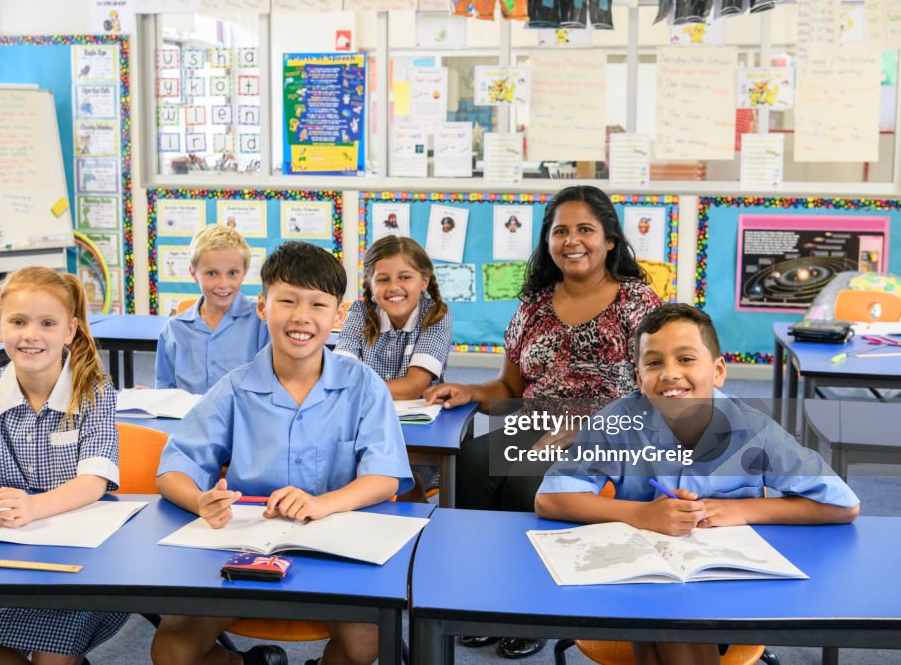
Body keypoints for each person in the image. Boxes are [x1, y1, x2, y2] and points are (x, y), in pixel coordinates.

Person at [536, 304, 859, 664]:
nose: (670, 374)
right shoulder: (618, 420)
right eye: (654, 362)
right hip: (642, 580)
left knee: (673, 630)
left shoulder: (754, 430)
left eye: (686, 358)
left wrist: (743, 509)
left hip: (724, 589)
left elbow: (843, 504)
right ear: (638, 376)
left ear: (718, 370)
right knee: (662, 621)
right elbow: (551, 500)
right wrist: (644, 515)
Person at [424, 185, 661, 659]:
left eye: (585, 230)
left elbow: (655, 394)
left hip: (611, 432)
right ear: (548, 242)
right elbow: (509, 388)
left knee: (526, 486)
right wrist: (470, 392)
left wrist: (581, 430)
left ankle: (531, 607)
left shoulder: (639, 304)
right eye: (560, 231)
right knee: (465, 467)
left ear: (610, 240)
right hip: (531, 421)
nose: (572, 241)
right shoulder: (534, 303)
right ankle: (482, 597)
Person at [151, 242, 413, 665]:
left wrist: (321, 503)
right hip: (244, 549)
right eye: (287, 301)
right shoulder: (234, 388)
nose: (301, 317)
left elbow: (384, 477)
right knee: (171, 650)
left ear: (340, 315)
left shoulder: (364, 385)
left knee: (366, 644)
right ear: (262, 307)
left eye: (317, 304)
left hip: (335, 547)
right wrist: (199, 500)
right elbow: (174, 468)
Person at [0, 267, 125, 665]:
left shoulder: (94, 391)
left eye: (47, 323)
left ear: (70, 330)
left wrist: (34, 506)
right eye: (18, 322)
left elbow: (94, 480)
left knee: (52, 659)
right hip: (11, 555)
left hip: (85, 560)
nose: (31, 335)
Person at [335, 235, 453, 501]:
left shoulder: (436, 314)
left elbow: (414, 385)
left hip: (419, 431)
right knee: (348, 473)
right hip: (363, 423)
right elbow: (342, 371)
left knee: (405, 481)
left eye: (405, 277)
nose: (394, 287)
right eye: (383, 279)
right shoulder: (360, 311)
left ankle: (419, 532)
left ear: (424, 281)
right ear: (370, 282)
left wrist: (359, 390)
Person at [156, 225, 269, 394]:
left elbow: (270, 386)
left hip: (242, 419)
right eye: (211, 273)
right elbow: (164, 391)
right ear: (193, 273)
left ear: (244, 272)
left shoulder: (262, 323)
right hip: (189, 419)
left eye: (232, 273)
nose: (223, 284)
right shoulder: (173, 330)